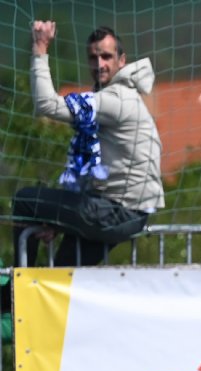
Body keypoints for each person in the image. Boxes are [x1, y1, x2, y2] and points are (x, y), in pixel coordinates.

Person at [12, 21, 162, 267]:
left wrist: (40, 47)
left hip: (116, 212)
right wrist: (60, 219)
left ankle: (17, 284)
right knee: (63, 274)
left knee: (26, 200)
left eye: (106, 57)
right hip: (115, 209)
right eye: (93, 58)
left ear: (122, 60)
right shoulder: (114, 98)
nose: (99, 64)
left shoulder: (116, 100)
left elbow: (47, 105)